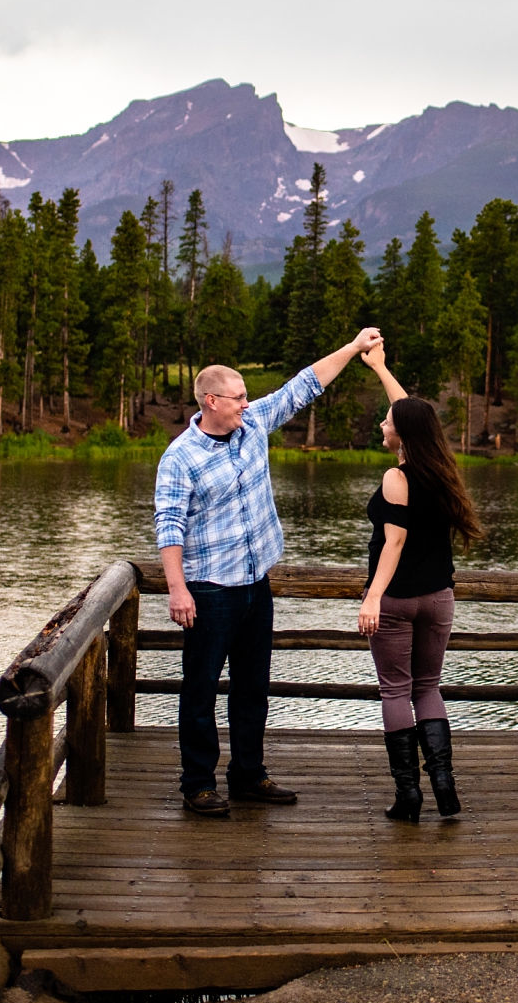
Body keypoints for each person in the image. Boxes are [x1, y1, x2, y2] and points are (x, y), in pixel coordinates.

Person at [154, 328, 384, 816]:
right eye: (237, 397)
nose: (246, 403)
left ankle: (248, 775)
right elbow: (169, 524)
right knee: (199, 691)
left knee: (252, 686)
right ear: (210, 401)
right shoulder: (180, 458)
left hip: (256, 585)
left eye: (245, 396)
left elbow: (304, 385)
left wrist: (353, 346)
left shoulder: (253, 423)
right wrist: (178, 590)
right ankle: (197, 784)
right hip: (209, 589)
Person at [356, 341, 484, 822]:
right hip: (439, 599)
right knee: (428, 688)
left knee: (395, 691)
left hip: (396, 602)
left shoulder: (398, 477)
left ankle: (409, 796)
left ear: (403, 434)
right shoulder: (441, 469)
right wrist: (382, 368)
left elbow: (392, 545)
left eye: (388, 422)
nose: (383, 424)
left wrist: (372, 599)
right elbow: (410, 412)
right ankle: (446, 792)